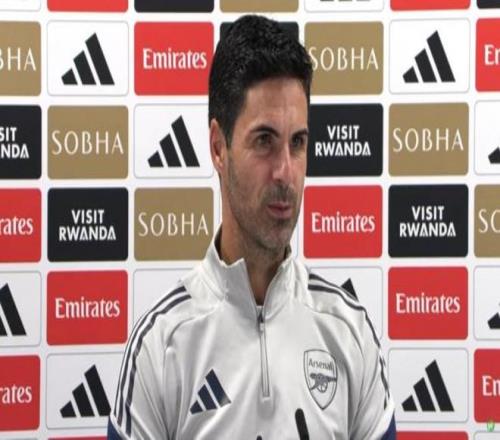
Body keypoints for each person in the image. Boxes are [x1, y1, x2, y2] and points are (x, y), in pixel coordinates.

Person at [108, 14, 395, 439]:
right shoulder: (161, 345)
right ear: (218, 147)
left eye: (297, 143)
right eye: (264, 141)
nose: (286, 172)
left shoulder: (349, 331)